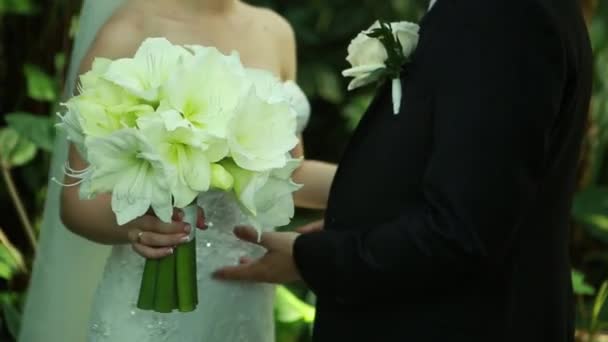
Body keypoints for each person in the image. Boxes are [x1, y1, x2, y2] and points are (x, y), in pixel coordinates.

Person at [214, 0, 593, 341]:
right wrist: (359, 222)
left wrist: (315, 258)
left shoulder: (502, 13)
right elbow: (467, 179)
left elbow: (463, 232)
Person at [19, 0, 335, 341]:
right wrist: (137, 228)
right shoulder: (130, 28)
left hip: (244, 298)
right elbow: (75, 201)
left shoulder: (276, 31)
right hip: (146, 304)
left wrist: (388, 185)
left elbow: (290, 175)